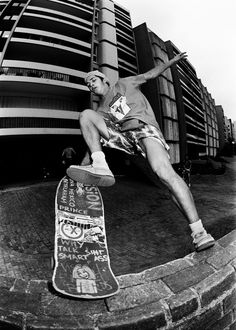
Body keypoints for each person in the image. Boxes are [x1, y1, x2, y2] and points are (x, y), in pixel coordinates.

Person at [67, 52, 215, 252]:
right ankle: (99, 164)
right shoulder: (101, 109)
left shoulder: (124, 84)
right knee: (86, 115)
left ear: (104, 79)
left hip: (144, 129)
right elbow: (92, 139)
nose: (91, 85)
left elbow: (150, 75)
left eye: (93, 80)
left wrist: (171, 62)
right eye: (88, 84)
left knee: (163, 174)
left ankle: (199, 232)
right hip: (125, 139)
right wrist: (83, 169)